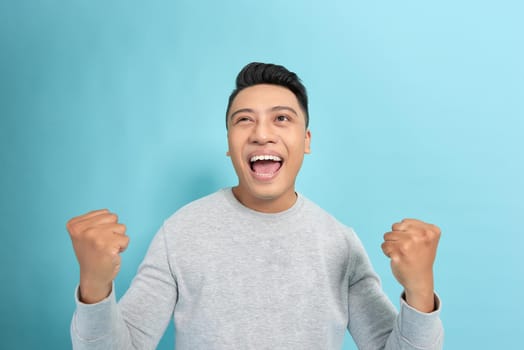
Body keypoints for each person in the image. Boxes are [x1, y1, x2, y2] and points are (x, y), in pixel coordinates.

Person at [67, 62, 443, 349]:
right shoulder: (181, 233)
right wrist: (95, 289)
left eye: (282, 118)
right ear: (230, 144)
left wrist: (420, 292)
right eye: (244, 120)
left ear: (306, 140)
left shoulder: (340, 244)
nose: (262, 134)